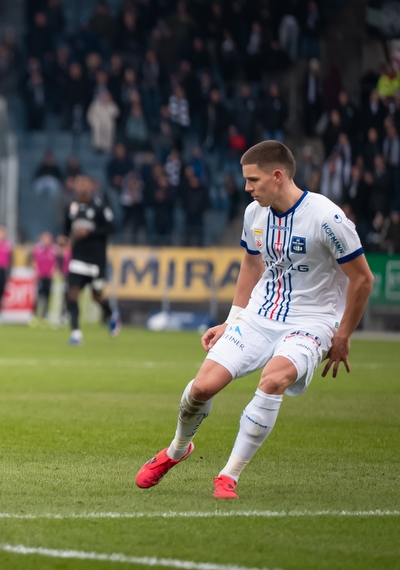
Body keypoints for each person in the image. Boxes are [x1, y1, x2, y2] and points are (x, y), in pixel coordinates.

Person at [135, 141, 374, 499]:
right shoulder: (254, 214)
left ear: (277, 176)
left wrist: (342, 335)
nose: (247, 187)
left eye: (253, 180)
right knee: (200, 389)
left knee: (273, 379)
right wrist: (233, 320)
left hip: (310, 322)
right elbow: (251, 264)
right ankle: (177, 450)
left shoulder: (327, 218)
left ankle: (228, 475)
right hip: (260, 316)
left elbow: (363, 278)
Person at [65, 176, 120, 345]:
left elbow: (111, 228)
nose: (81, 187)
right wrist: (64, 239)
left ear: (90, 186)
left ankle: (111, 314)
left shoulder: (100, 205)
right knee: (72, 295)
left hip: (96, 260)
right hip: (77, 258)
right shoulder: (73, 207)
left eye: (84, 183)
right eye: (78, 183)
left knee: (96, 297)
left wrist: (90, 233)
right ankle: (76, 334)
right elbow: (67, 228)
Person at [30, 231, 57, 326]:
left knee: (47, 296)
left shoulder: (53, 249)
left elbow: (55, 262)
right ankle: (35, 315)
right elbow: (34, 261)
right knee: (38, 296)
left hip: (48, 276)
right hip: (40, 276)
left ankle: (45, 315)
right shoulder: (37, 248)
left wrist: (54, 272)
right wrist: (36, 272)